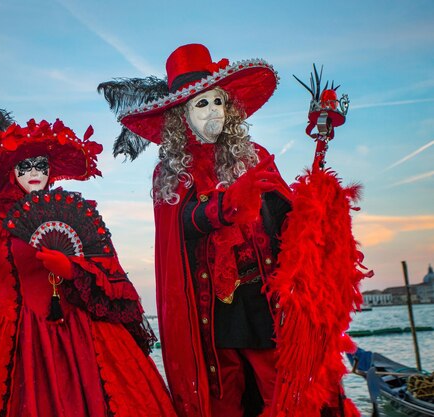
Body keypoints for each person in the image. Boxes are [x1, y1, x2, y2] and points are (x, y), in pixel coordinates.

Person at [99, 43, 363, 417]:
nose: (213, 113)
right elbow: (179, 227)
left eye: (218, 102)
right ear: (181, 116)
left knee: (284, 392)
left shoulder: (255, 155)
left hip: (263, 301)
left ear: (230, 107)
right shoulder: (171, 173)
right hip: (210, 314)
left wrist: (318, 203)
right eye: (200, 104)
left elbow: (287, 222)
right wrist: (228, 204)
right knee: (223, 399)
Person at [0, 118, 178, 417]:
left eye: (41, 165)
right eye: (25, 166)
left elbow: (108, 269)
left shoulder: (74, 210)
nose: (35, 172)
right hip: (23, 336)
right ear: (11, 173)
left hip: (84, 330)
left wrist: (72, 269)